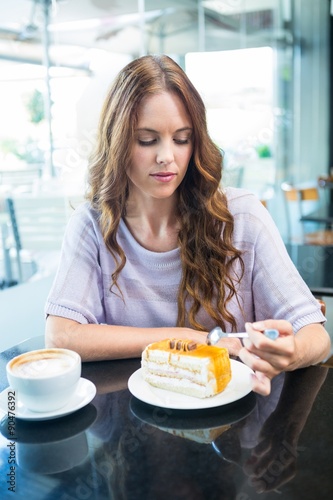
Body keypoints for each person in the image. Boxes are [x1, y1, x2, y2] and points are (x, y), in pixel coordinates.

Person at [45, 54, 331, 396]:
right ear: (118, 141)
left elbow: (317, 338)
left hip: (233, 427)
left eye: (182, 139)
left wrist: (290, 354)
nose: (167, 156)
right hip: (133, 426)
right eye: (147, 140)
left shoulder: (242, 216)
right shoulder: (92, 224)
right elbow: (61, 336)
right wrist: (186, 337)